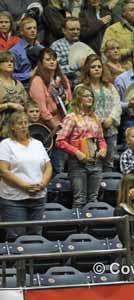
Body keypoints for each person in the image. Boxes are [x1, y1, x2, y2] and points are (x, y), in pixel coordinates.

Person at [0, 111, 52, 241]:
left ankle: (33, 262)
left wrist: (42, 184)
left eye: (25, 122)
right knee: (17, 238)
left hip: (38, 197)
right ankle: (16, 262)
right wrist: (24, 186)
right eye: (19, 123)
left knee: (36, 237)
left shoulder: (37, 144)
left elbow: (48, 167)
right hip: (14, 200)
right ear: (12, 126)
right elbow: (3, 170)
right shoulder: (6, 144)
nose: (23, 126)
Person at [56, 85, 107, 208]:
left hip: (95, 162)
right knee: (80, 199)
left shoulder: (96, 118)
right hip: (78, 163)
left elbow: (101, 139)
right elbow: (60, 140)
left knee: (93, 200)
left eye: (91, 96)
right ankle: (78, 227)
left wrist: (104, 148)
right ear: (79, 99)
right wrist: (77, 152)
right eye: (86, 96)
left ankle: (92, 227)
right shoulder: (71, 117)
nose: (90, 98)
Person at [81, 54, 121, 172]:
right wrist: (97, 122)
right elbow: (79, 108)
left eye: (99, 66)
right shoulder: (82, 87)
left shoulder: (109, 86)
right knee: (93, 160)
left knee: (109, 161)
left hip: (110, 129)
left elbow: (117, 104)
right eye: (93, 67)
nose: (97, 69)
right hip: (91, 131)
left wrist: (111, 118)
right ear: (88, 69)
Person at [29, 48, 72, 130]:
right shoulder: (37, 81)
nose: (52, 62)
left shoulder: (63, 78)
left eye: (54, 59)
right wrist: (58, 129)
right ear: (41, 62)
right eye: (48, 60)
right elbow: (42, 109)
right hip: (48, 123)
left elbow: (70, 101)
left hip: (65, 119)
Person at [101, 1, 134, 67]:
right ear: (124, 13)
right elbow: (104, 51)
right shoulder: (113, 29)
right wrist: (129, 51)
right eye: (132, 10)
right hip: (119, 70)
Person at [0, 50, 28, 139]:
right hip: (2, 131)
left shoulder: (19, 84)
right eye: (5, 61)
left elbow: (26, 104)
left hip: (19, 130)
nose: (9, 64)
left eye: (11, 61)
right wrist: (9, 105)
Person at [50, 17, 83, 88]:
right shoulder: (57, 46)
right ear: (64, 30)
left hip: (81, 87)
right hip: (64, 87)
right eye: (72, 29)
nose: (76, 32)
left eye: (78, 29)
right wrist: (77, 66)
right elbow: (54, 69)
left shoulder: (82, 46)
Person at [10, 17, 43, 86]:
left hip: (43, 84)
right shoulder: (14, 51)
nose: (33, 30)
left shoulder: (41, 48)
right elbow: (8, 75)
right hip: (25, 86)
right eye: (29, 28)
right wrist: (29, 74)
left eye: (35, 28)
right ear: (21, 32)